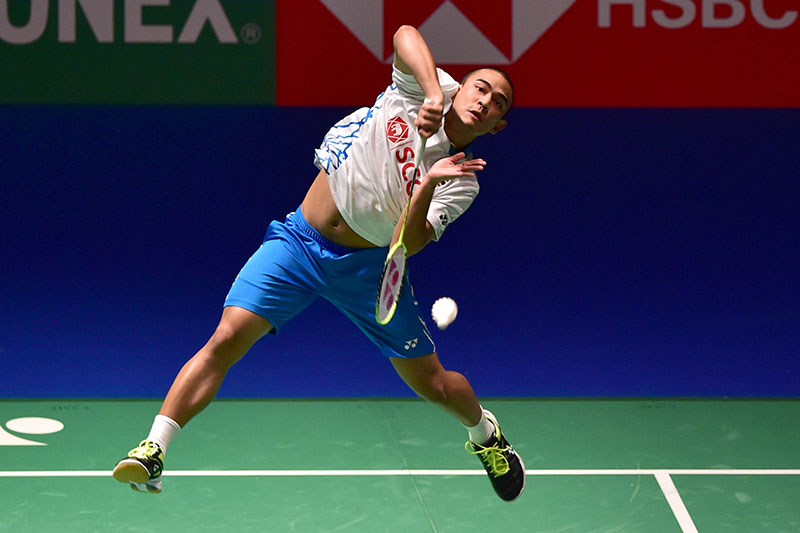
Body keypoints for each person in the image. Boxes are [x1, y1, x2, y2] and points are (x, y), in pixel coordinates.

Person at [112, 25, 525, 502]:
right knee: (226, 337)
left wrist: (430, 182)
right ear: (461, 86)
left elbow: (408, 243)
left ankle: (485, 434)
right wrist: (433, 92)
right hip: (299, 243)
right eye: (481, 88)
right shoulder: (423, 90)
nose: (485, 101)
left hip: (370, 270)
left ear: (497, 126)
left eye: (498, 103)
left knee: (433, 384)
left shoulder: (463, 180)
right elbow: (404, 34)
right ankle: (154, 451)